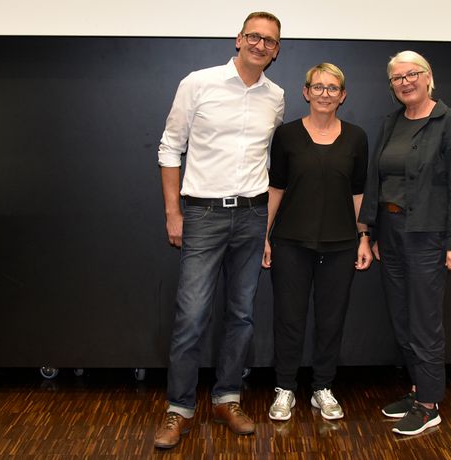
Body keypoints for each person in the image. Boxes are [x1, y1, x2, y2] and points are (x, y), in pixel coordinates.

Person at [153, 11, 285, 449]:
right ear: (238, 39)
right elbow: (170, 148)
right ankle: (179, 408)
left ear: (276, 49)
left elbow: (269, 165)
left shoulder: (276, 97)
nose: (260, 45)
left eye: (269, 40)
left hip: (251, 217)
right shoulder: (198, 83)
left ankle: (227, 398)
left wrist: (265, 227)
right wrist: (174, 213)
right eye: (253, 36)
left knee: (241, 316)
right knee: (191, 316)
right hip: (203, 217)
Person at [359, 50, 451, 436]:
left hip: (427, 236)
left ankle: (429, 404)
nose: (405, 82)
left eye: (412, 75)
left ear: (428, 78)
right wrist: (369, 231)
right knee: (402, 317)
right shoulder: (391, 123)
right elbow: (376, 181)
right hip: (389, 233)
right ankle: (416, 389)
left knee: (424, 321)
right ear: (391, 86)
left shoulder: (450, 122)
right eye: (397, 78)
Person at [262, 63, 372, 422]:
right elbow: (275, 187)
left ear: (342, 96)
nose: (325, 94)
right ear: (306, 92)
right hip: (290, 243)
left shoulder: (356, 138)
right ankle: (285, 389)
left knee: (331, 319)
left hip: (340, 245)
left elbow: (358, 193)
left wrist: (363, 237)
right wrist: (264, 236)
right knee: (289, 319)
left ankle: (323, 387)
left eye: (333, 88)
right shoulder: (287, 136)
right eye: (318, 87)